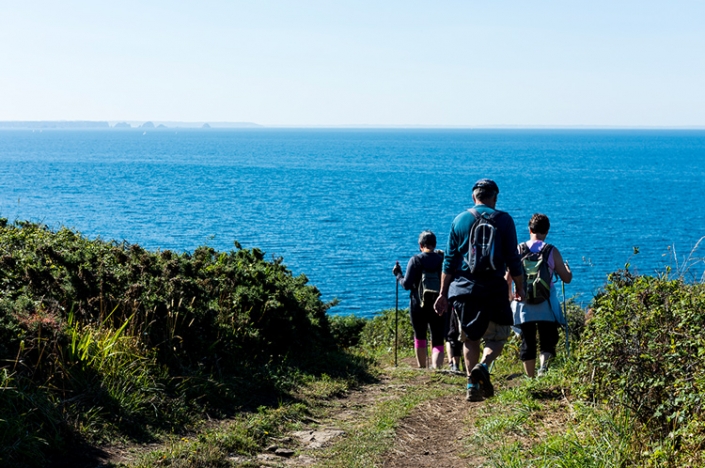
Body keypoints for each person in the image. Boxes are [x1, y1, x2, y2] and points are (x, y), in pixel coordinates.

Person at [434, 179, 524, 401]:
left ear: (474, 197)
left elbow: (449, 262)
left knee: (469, 339)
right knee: (499, 336)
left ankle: (472, 385)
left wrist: (443, 294)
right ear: (494, 198)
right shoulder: (504, 220)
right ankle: (483, 366)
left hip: (464, 290)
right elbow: (513, 259)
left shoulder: (460, 220)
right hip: (494, 289)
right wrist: (520, 287)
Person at [512, 213, 572, 377]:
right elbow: (566, 279)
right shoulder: (551, 251)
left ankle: (530, 379)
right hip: (546, 302)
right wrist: (567, 269)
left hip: (523, 302)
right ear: (547, 231)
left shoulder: (518, 249)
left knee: (527, 341)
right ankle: (543, 368)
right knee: (548, 339)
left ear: (529, 229)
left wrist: (510, 298)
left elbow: (507, 277)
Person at [393, 231, 445, 369]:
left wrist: (398, 275)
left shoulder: (415, 260)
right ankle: (437, 369)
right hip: (438, 303)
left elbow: (406, 285)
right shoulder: (442, 260)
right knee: (438, 337)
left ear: (420, 245)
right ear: (435, 244)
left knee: (420, 335)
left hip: (418, 304)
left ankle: (422, 368)